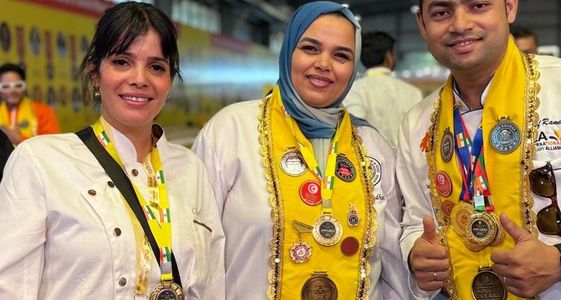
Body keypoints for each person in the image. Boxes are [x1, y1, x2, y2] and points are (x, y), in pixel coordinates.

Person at [0, 2, 224, 299]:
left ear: (170, 82)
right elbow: (11, 288)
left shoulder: (191, 168)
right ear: (95, 73)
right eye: (122, 62)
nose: (140, 79)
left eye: (156, 67)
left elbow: (212, 286)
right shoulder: (39, 163)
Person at [192, 1, 408, 299]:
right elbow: (199, 252)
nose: (324, 63)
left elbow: (392, 268)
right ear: (288, 51)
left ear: (353, 67)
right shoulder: (230, 131)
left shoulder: (373, 146)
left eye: (341, 55)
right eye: (310, 48)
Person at [398, 0, 561, 299]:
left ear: (509, 8)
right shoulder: (418, 122)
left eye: (478, 6)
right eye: (441, 12)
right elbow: (416, 219)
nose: (460, 24)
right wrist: (416, 251)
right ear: (423, 25)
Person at [344, 31, 423, 149]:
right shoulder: (412, 92)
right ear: (389, 57)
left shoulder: (353, 91)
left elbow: (355, 133)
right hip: (408, 164)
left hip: (369, 164)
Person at [0, 63, 60, 145]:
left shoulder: (44, 112)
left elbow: (53, 145)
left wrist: (19, 139)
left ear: (25, 86)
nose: (12, 91)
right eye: (6, 86)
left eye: (18, 85)